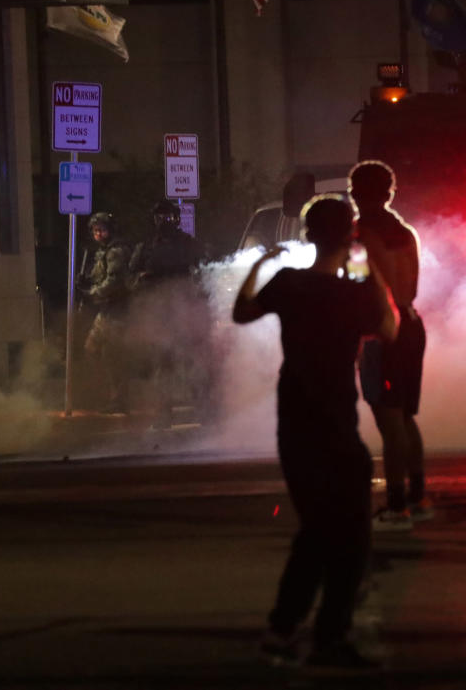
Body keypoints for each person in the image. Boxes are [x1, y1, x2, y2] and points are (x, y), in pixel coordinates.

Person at [233, 194, 397, 669]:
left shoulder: (288, 284)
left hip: (296, 424)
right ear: (349, 235)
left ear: (307, 235)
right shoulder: (354, 291)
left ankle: (285, 629)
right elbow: (389, 329)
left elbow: (242, 313)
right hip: (337, 426)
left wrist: (258, 267)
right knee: (350, 537)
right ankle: (324, 635)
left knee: (317, 531)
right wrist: (371, 271)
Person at [349, 161, 430, 532]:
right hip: (412, 323)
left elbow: (357, 286)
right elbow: (410, 289)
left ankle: (397, 506)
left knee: (389, 420)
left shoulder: (360, 233)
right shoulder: (405, 232)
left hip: (383, 332)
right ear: (389, 193)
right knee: (405, 417)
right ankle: (417, 497)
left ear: (356, 193)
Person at [128, 199, 207, 427]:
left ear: (176, 219)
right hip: (159, 313)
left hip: (184, 310)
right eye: (160, 217)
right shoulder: (146, 247)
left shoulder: (188, 244)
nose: (164, 222)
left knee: (191, 362)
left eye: (168, 217)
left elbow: (202, 271)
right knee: (163, 366)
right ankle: (164, 415)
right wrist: (143, 282)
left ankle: (203, 411)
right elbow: (131, 277)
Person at [79, 211, 132, 413]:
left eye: (102, 230)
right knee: (91, 349)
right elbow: (98, 277)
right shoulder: (102, 252)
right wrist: (86, 283)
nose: (98, 234)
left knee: (113, 355)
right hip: (106, 310)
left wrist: (91, 293)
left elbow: (114, 281)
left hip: (118, 309)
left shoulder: (116, 251)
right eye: (95, 231)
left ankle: (119, 399)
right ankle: (110, 393)